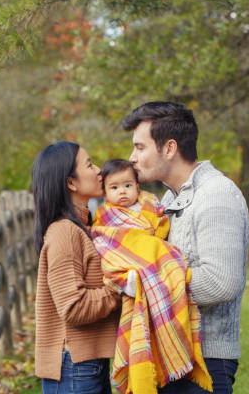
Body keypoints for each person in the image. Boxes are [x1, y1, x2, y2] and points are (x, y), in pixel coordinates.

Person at [121, 101, 249, 394]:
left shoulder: (217, 195)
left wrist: (146, 290)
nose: (132, 158)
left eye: (140, 148)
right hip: (171, 352)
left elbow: (221, 283)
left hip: (205, 359)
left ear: (169, 148)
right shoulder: (167, 202)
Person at [91, 158, 212, 394]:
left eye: (128, 185)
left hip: (155, 271)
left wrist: (154, 248)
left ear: (138, 186)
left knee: (168, 273)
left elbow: (162, 231)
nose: (122, 192)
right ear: (104, 191)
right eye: (114, 187)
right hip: (132, 276)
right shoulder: (105, 217)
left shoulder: (152, 206)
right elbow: (107, 246)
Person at [31, 141, 122, 394]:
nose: (98, 171)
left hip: (86, 363)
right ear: (71, 182)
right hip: (74, 367)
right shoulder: (65, 232)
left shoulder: (81, 228)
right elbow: (73, 307)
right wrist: (120, 289)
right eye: (89, 164)